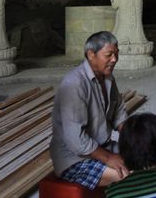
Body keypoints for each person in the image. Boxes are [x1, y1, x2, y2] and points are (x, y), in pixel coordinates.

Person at [51, 31, 129, 188]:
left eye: (116, 54)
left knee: (152, 155)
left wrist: (134, 139)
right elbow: (76, 141)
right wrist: (108, 158)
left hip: (102, 147)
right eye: (109, 55)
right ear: (91, 54)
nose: (114, 59)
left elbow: (118, 114)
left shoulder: (107, 78)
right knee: (127, 176)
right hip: (75, 158)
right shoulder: (74, 84)